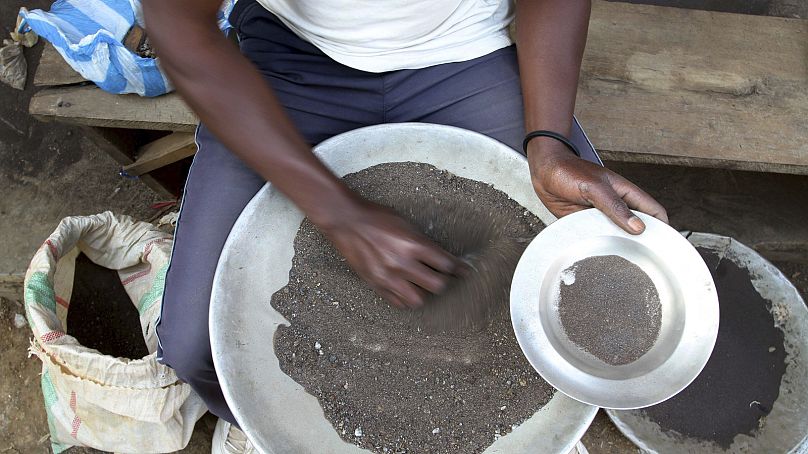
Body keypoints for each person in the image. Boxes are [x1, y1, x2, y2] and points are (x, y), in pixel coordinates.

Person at [143, 0, 668, 452]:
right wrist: (338, 212)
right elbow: (176, 26)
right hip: (291, 58)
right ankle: (252, 421)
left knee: (590, 297)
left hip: (465, 50)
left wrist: (549, 142)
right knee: (194, 344)